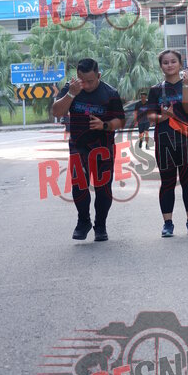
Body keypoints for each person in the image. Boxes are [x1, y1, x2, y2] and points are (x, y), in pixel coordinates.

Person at [52, 58, 125, 242]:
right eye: (82, 80)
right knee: (79, 186)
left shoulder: (110, 93)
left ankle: (100, 225)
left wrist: (104, 125)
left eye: (90, 81)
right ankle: (83, 221)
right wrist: (71, 94)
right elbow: (57, 112)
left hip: (103, 148)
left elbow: (120, 121)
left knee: (103, 189)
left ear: (98, 75)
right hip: (78, 146)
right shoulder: (71, 88)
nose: (85, 85)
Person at [147, 50, 188, 237]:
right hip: (164, 142)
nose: (169, 65)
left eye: (173, 62)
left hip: (187, 141)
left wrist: (185, 85)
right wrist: (164, 117)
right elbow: (150, 116)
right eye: (165, 62)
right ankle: (167, 224)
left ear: (180, 64)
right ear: (161, 66)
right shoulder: (155, 90)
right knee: (167, 182)